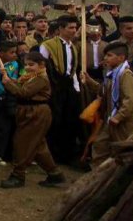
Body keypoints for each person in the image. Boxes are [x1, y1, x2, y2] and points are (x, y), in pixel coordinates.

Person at [0, 52, 64, 188]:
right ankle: (55, 174)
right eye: (26, 64)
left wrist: (7, 83)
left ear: (41, 65)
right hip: (29, 112)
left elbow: (23, 92)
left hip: (36, 113)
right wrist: (7, 77)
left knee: (22, 143)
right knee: (38, 146)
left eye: (31, 65)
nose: (28, 67)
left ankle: (18, 175)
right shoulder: (31, 77)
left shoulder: (41, 79)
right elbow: (19, 84)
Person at [81, 42, 133, 167]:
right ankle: (98, 178)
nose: (105, 59)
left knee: (124, 152)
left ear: (121, 58)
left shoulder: (126, 75)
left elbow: (130, 100)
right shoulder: (112, 75)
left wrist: (119, 117)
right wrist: (89, 81)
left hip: (124, 122)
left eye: (109, 55)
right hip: (110, 119)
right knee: (99, 147)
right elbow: (104, 91)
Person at [40, 15, 84, 165]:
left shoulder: (74, 47)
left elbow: (73, 70)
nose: (74, 30)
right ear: (60, 29)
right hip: (54, 86)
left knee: (70, 120)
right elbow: (42, 68)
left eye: (75, 28)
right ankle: (52, 154)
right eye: (70, 27)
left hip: (69, 87)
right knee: (55, 121)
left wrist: (76, 89)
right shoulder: (48, 45)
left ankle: (67, 154)